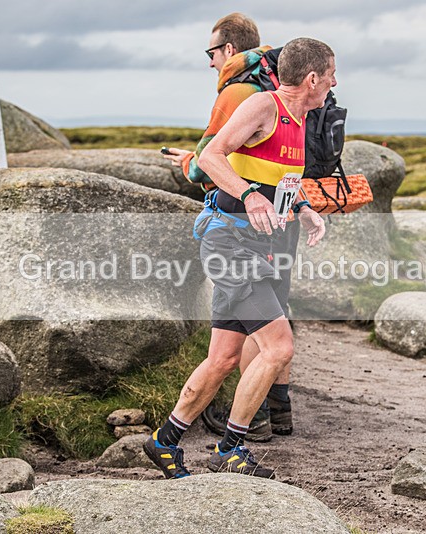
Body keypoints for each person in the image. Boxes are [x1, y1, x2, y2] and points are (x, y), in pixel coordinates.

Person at [144, 37, 336, 478]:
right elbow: (209, 157)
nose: (334, 82)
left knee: (224, 357)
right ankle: (231, 448)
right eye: (330, 74)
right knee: (278, 346)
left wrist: (304, 210)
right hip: (230, 242)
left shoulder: (301, 119)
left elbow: (277, 179)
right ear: (312, 79)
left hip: (254, 246)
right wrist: (248, 197)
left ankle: (165, 442)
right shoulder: (263, 106)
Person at [163, 13, 294, 442]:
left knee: (264, 333)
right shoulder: (279, 88)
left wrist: (188, 160)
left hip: (240, 224)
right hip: (278, 220)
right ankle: (276, 414)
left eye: (212, 52)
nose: (210, 62)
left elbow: (206, 165)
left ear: (230, 50)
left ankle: (243, 429)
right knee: (264, 325)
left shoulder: (237, 90)